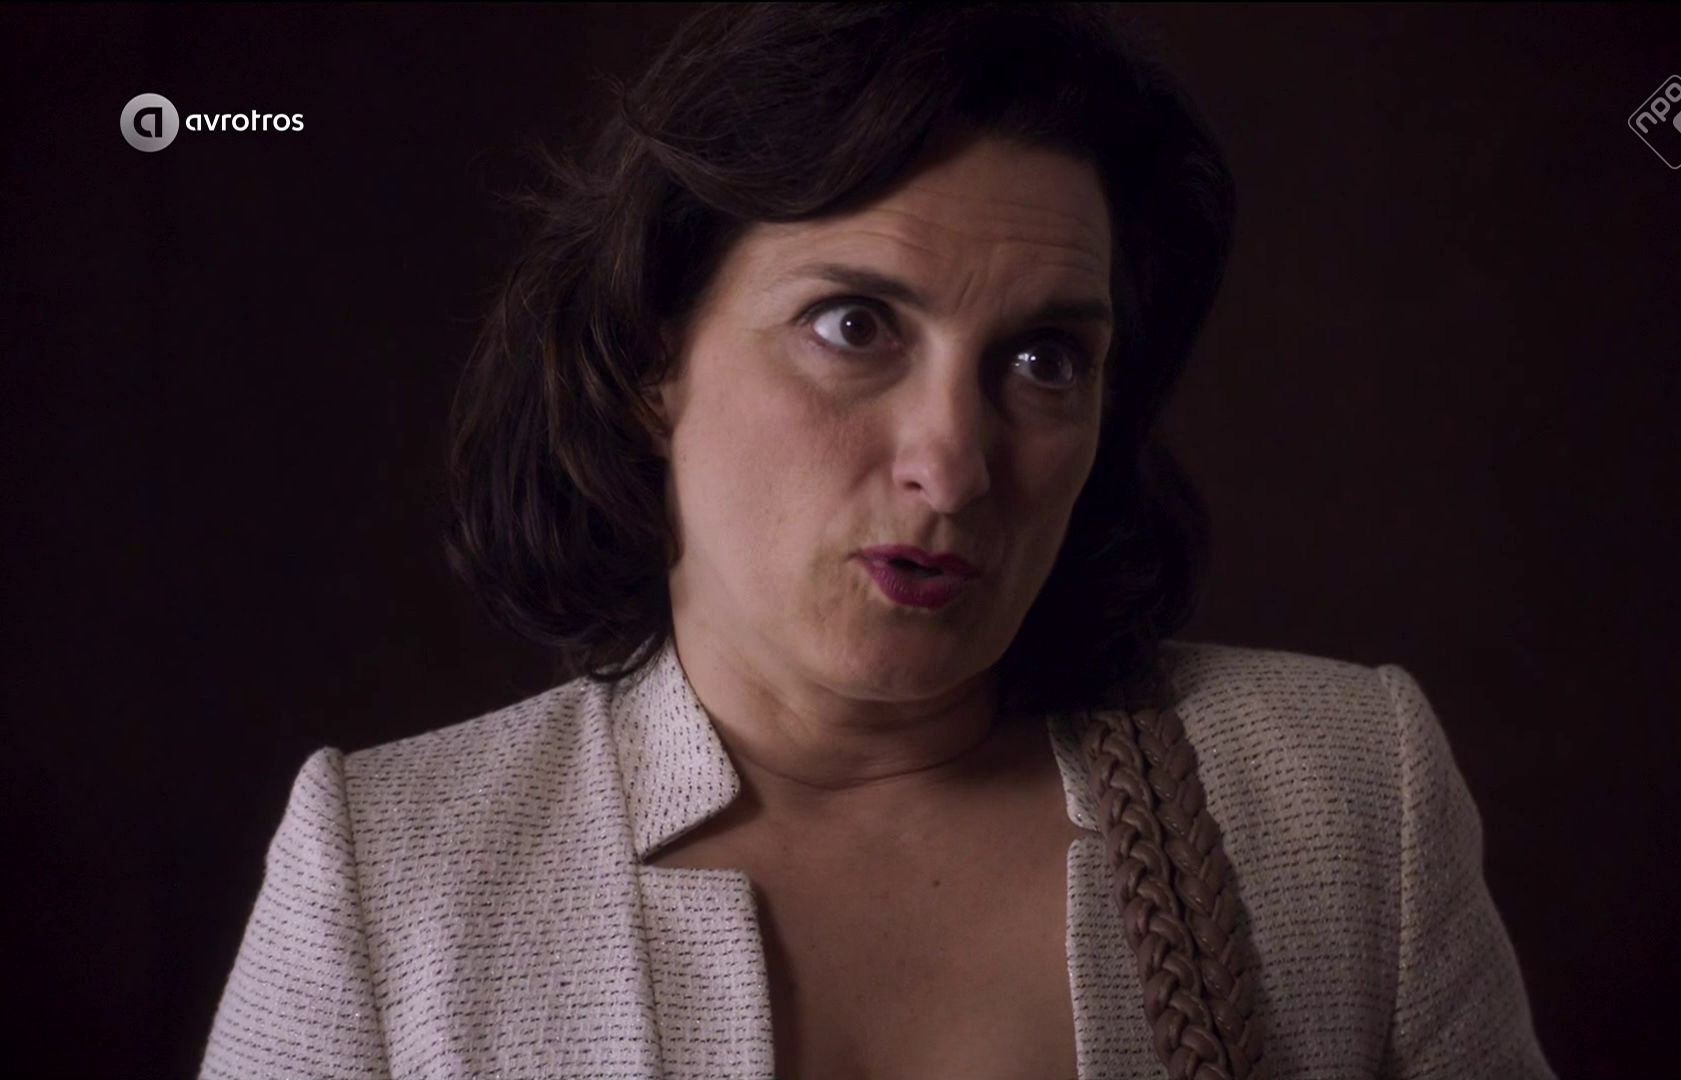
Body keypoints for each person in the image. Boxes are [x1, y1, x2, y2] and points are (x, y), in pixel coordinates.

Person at [200, 5, 1556, 1079]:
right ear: (649, 356)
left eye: (1043, 358)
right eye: (854, 326)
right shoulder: (393, 876)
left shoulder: (1345, 800)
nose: (952, 466)